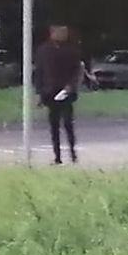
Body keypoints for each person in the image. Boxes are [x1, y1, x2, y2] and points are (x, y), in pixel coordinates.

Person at [35, 25, 83, 164]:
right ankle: (57, 156)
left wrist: (71, 86)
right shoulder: (44, 50)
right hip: (50, 92)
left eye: (65, 31)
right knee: (54, 125)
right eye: (61, 31)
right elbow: (39, 72)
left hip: (66, 91)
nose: (64, 34)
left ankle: (73, 154)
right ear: (52, 32)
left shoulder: (71, 50)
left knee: (68, 122)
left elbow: (77, 70)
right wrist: (39, 92)